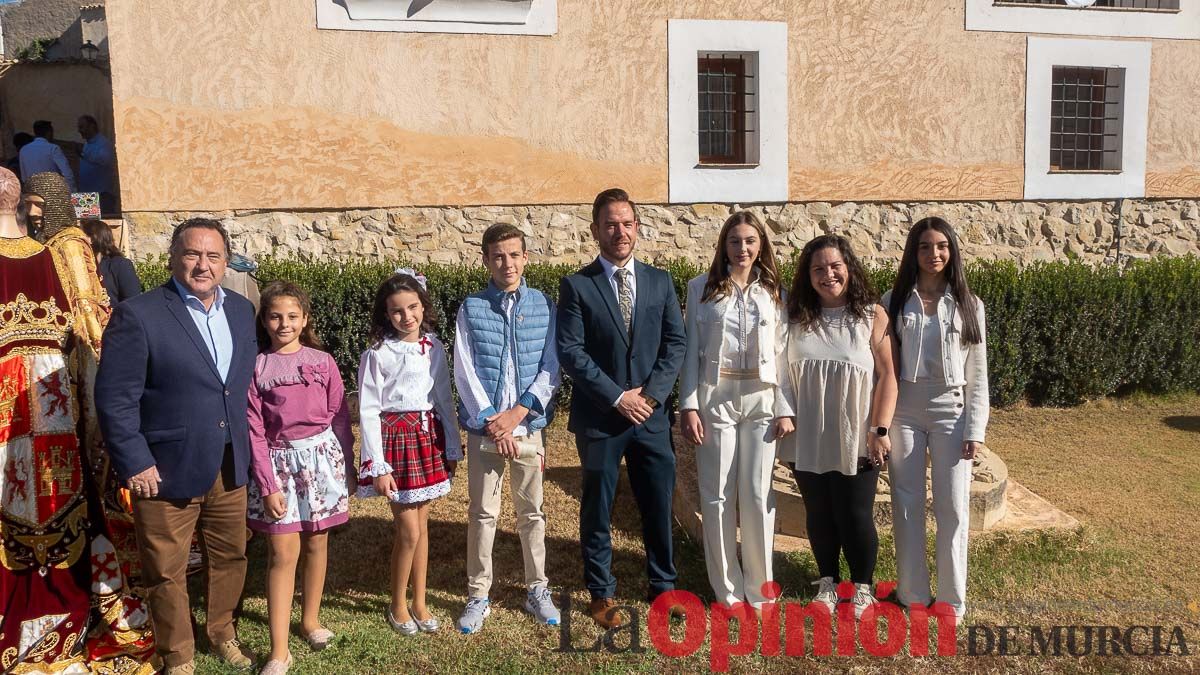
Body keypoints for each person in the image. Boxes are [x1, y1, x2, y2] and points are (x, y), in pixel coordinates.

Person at [0, 166, 155, 673]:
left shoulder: (63, 248)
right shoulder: (67, 253)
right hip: (59, 405)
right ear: (24, 203)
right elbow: (93, 341)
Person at [96, 217, 260, 675]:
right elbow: (115, 398)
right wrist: (136, 461)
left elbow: (235, 390)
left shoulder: (242, 311)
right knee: (166, 570)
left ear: (227, 262)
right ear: (172, 258)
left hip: (229, 462)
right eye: (192, 254)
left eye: (213, 256)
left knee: (231, 557)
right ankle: (178, 655)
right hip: (163, 469)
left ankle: (223, 633)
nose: (202, 265)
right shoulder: (140, 314)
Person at [556, 188, 687, 628]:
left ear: (637, 226)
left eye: (627, 223)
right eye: (610, 224)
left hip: (650, 418)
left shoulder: (660, 281)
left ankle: (663, 586)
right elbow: (572, 352)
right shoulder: (577, 285)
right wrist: (617, 396)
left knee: (658, 502)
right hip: (601, 419)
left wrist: (649, 396)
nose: (620, 232)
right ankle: (601, 591)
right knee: (598, 508)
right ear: (595, 230)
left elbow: (676, 344)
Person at [678, 211, 793, 610]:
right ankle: (727, 592)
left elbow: (784, 354)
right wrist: (689, 404)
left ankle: (760, 591)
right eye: (734, 241)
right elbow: (690, 349)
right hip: (716, 399)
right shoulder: (701, 288)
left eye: (749, 241)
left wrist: (784, 407)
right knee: (718, 496)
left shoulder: (775, 290)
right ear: (723, 245)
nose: (742, 249)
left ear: (761, 244)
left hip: (761, 399)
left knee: (758, 495)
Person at [778, 234, 897, 619]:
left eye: (835, 267)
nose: (827, 275)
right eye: (818, 269)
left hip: (857, 434)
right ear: (807, 276)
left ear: (849, 268)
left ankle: (862, 588)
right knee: (819, 511)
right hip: (808, 432)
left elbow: (888, 377)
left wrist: (879, 430)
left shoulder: (871, 316)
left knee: (855, 514)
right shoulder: (795, 317)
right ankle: (827, 583)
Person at [453, 223, 562, 634]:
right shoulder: (471, 306)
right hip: (486, 430)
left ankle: (538, 588)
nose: (507, 263)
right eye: (498, 256)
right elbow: (464, 370)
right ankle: (478, 594)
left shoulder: (543, 305)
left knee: (531, 512)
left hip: (528, 425)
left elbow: (551, 365)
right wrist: (491, 422)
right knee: (483, 513)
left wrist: (518, 415)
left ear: (525, 258)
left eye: (514, 254)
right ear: (486, 259)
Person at [246, 281, 355, 674]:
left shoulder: (322, 362)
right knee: (281, 552)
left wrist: (347, 464)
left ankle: (310, 619)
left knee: (317, 542)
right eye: (275, 316)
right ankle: (279, 650)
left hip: (322, 463)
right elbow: (254, 430)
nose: (284, 323)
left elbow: (339, 416)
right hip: (279, 467)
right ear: (264, 319)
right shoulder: (257, 366)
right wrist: (267, 484)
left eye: (293, 316)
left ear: (305, 319)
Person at [884, 216, 989, 620]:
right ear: (914, 252)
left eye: (941, 246)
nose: (934, 254)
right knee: (906, 504)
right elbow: (883, 370)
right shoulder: (892, 300)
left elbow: (978, 373)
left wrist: (975, 429)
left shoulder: (969, 304)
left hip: (951, 410)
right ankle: (912, 595)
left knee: (953, 507)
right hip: (905, 410)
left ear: (952, 251)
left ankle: (951, 600)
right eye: (925, 247)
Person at [356, 270, 462, 636]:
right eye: (397, 311)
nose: (407, 317)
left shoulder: (434, 347)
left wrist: (451, 446)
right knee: (408, 531)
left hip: (426, 439)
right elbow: (368, 410)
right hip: (395, 444)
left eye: (413, 307)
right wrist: (378, 466)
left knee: (422, 526)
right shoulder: (377, 354)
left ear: (423, 306)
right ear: (386, 314)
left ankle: (419, 600)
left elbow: (443, 399)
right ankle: (397, 604)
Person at [82, 217, 142, 303]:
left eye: (80, 237)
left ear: (93, 238)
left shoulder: (120, 265)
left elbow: (132, 301)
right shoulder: (78, 268)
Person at [78, 114, 118, 213]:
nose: (79, 130)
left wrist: (83, 154)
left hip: (102, 195)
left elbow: (106, 160)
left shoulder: (103, 143)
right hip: (86, 195)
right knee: (86, 226)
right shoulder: (87, 144)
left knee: (103, 225)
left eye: (82, 127)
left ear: (92, 126)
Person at [19, 120, 76, 190]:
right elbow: (67, 174)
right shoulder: (53, 148)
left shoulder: (23, 150)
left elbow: (24, 178)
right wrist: (72, 191)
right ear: (49, 132)